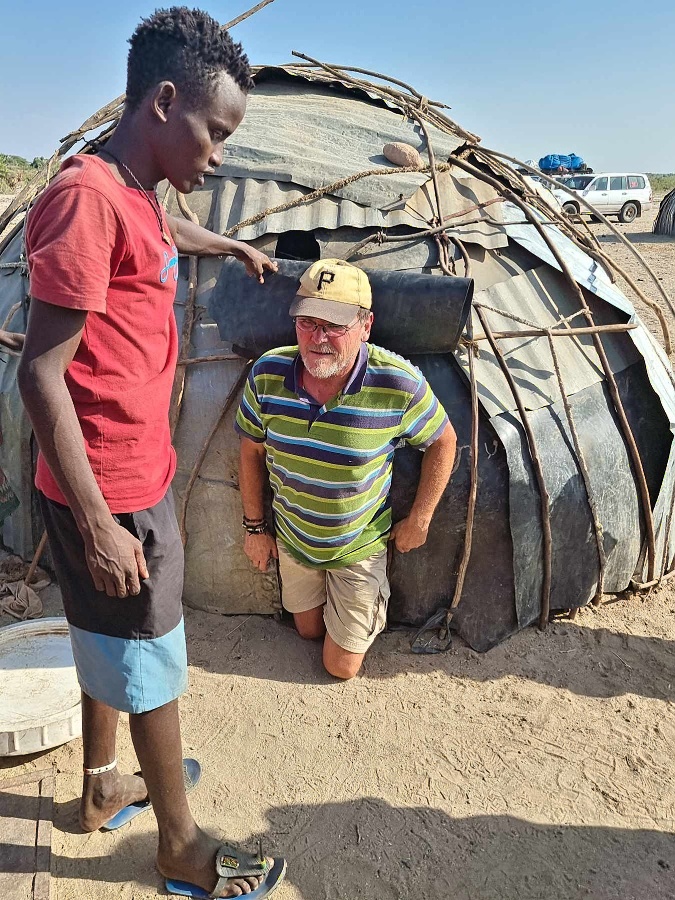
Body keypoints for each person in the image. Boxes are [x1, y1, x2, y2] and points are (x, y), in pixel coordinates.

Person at [19, 8, 285, 898]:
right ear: (165, 103)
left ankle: (101, 790)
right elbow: (42, 378)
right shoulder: (87, 199)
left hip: (133, 472)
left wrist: (230, 242)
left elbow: (161, 237)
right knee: (149, 651)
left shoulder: (136, 191)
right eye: (214, 131)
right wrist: (99, 524)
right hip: (109, 485)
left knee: (105, 634)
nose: (218, 153)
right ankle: (178, 843)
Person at [236, 259, 457, 679]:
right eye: (308, 323)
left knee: (340, 667)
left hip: (356, 545)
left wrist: (421, 518)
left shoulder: (397, 383)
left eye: (335, 326)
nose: (318, 338)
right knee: (306, 633)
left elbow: (443, 441)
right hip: (295, 538)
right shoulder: (268, 374)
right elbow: (251, 452)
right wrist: (255, 529)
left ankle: (363, 602)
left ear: (366, 325)